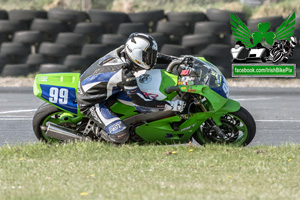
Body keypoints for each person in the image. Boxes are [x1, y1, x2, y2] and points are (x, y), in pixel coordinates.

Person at [77, 33, 186, 144]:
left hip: (104, 88)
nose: (151, 59)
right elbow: (141, 104)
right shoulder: (125, 75)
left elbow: (156, 57)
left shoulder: (123, 51)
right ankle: (97, 134)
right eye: (147, 56)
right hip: (92, 101)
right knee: (121, 135)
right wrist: (170, 105)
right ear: (136, 55)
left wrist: (177, 60)